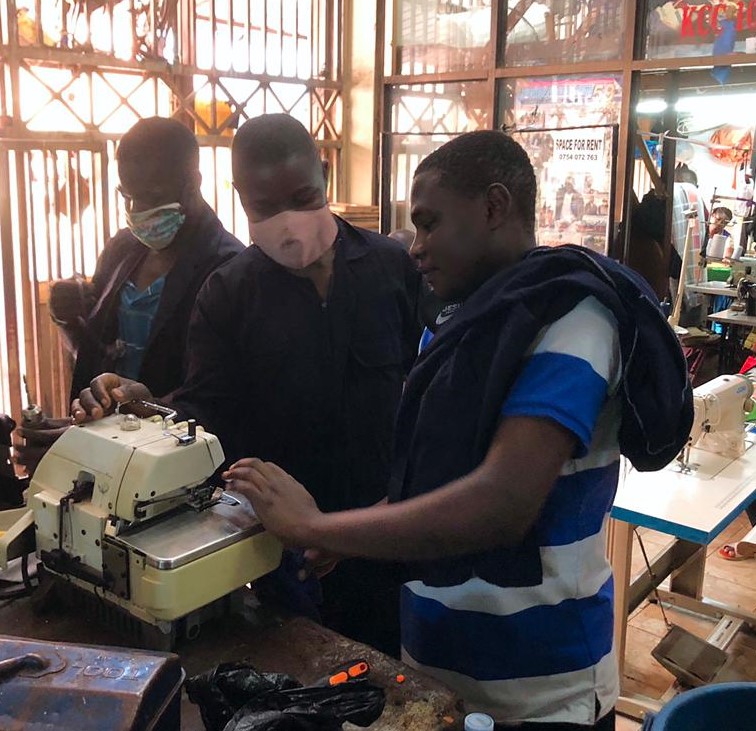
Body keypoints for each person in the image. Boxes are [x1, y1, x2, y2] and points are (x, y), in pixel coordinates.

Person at [220, 131, 692, 728]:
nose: (415, 249)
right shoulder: (458, 326)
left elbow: (501, 503)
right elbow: (439, 481)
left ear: (494, 207)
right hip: (438, 666)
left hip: (539, 692)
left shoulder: (573, 319)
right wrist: (343, 537)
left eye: (429, 224)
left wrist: (318, 525)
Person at [72, 113, 422, 657]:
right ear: (239, 197)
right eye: (264, 207)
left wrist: (385, 509)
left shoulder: (392, 269)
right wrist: (151, 408)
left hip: (381, 536)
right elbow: (206, 413)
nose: (287, 222)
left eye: (302, 196)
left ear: (324, 175)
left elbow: (420, 398)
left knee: (384, 679)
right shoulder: (229, 293)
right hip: (277, 553)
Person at [17, 117, 244, 471]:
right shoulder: (124, 249)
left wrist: (135, 416)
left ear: (193, 183)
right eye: (129, 196)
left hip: (176, 469)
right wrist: (68, 321)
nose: (138, 211)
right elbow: (95, 355)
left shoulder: (228, 269)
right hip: (107, 454)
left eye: (152, 197)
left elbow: (218, 398)